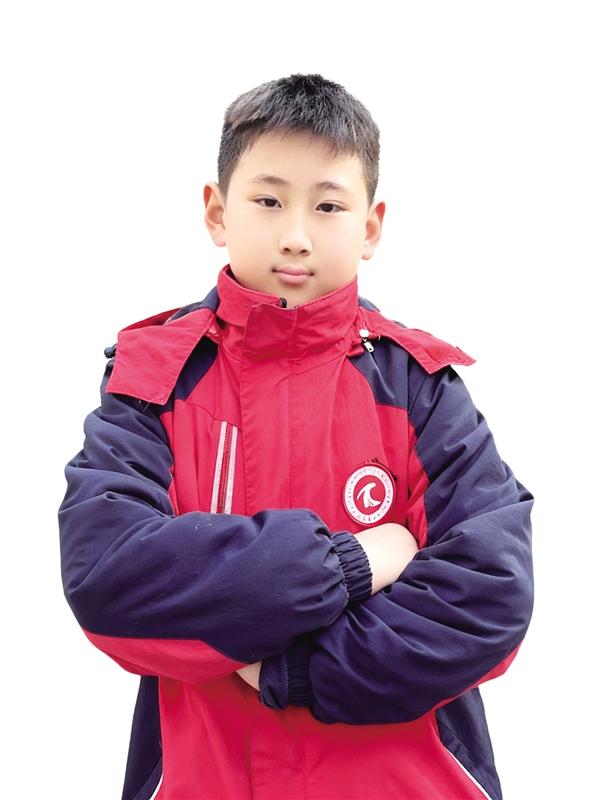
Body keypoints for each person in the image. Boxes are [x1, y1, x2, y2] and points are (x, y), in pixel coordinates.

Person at [58, 73, 534, 800]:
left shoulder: (420, 387)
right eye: (269, 200)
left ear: (370, 226)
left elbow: (490, 595)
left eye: (329, 205)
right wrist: (355, 563)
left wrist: (293, 670)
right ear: (217, 210)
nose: (296, 236)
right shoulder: (156, 377)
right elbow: (108, 576)